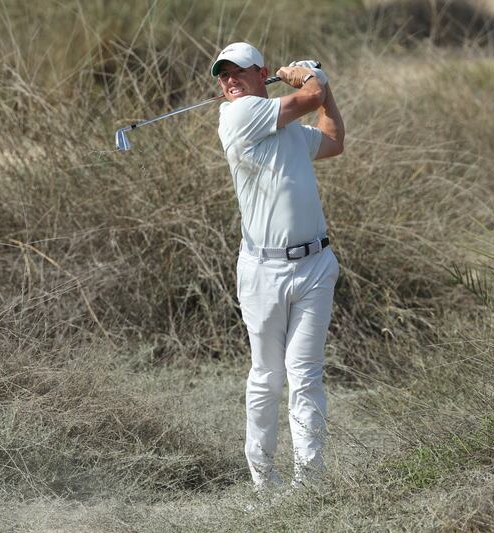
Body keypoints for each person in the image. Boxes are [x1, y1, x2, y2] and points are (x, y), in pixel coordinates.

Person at [211, 42, 345, 491]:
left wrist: (323, 89)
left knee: (305, 375)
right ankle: (262, 486)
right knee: (267, 377)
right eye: (223, 74)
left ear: (260, 72)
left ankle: (309, 485)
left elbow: (332, 141)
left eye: (240, 72)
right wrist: (310, 79)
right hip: (263, 272)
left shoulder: (287, 127)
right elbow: (307, 99)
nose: (230, 80)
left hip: (315, 266)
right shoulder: (237, 116)